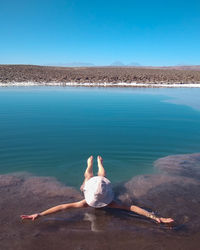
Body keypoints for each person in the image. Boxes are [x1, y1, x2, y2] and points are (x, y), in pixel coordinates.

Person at [21, 156, 174, 224]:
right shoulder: (109, 202)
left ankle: (98, 162)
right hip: (93, 187)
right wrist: (39, 214)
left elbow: (133, 208)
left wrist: (155, 218)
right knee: (90, 176)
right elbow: (62, 207)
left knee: (99, 176)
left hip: (99, 187)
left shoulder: (88, 203)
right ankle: (91, 163)